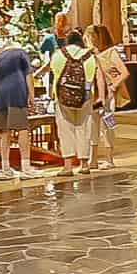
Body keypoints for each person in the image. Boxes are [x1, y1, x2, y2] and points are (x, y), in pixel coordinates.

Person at [48, 28, 100, 174]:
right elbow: (93, 76)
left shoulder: (58, 54)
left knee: (65, 129)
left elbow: (54, 73)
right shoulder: (90, 55)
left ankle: (68, 166)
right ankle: (84, 164)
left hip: (62, 97)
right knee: (84, 128)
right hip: (85, 97)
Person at [0, 38, 35, 180]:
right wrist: (31, 96)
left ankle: (5, 169)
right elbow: (28, 75)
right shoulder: (20, 53)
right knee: (22, 129)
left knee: (5, 132)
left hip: (0, 97)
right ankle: (26, 167)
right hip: (17, 93)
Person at [89, 23, 126, 168]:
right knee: (93, 126)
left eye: (91, 36)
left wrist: (113, 86)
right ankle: (93, 159)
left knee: (107, 125)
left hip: (107, 96)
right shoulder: (92, 54)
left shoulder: (110, 53)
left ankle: (109, 159)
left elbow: (123, 72)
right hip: (94, 95)